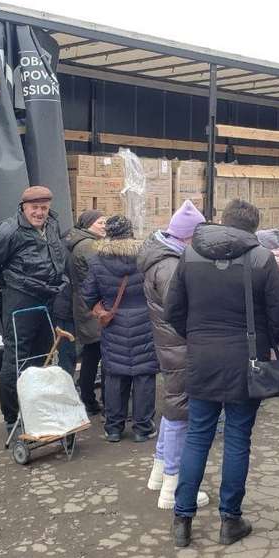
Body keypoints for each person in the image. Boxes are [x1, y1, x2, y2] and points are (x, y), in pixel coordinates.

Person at [166, 199, 279, 548]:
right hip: (246, 361)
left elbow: (172, 309)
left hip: (202, 358)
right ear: (253, 228)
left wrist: (196, 337)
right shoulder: (262, 259)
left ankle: (183, 520)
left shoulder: (190, 256)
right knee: (238, 438)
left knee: (197, 436)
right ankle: (229, 520)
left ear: (223, 221)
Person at [0, 186, 68, 441]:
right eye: (34, 208)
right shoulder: (10, 230)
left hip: (48, 298)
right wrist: (12, 281)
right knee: (16, 358)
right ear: (23, 207)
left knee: (44, 356)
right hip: (21, 300)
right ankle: (12, 417)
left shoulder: (52, 224)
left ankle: (37, 411)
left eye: (43, 208)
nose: (39, 212)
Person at [137, 200, 210, 510]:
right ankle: (174, 485)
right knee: (182, 412)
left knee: (172, 407)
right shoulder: (170, 266)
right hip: (179, 346)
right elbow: (179, 309)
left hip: (170, 345)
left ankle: (160, 472)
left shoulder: (165, 256)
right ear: (188, 237)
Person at [81, 215, 158, 443]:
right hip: (144, 323)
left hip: (113, 325)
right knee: (144, 374)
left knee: (115, 374)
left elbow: (87, 297)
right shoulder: (145, 258)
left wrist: (103, 308)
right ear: (131, 233)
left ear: (109, 234)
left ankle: (113, 428)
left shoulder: (96, 260)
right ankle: (143, 428)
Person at [66, 210, 107, 416]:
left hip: (82, 304)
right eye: (100, 222)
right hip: (92, 306)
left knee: (91, 353)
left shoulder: (79, 242)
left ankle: (88, 398)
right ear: (89, 224)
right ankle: (92, 400)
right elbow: (98, 276)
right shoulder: (88, 246)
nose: (104, 226)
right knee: (98, 353)